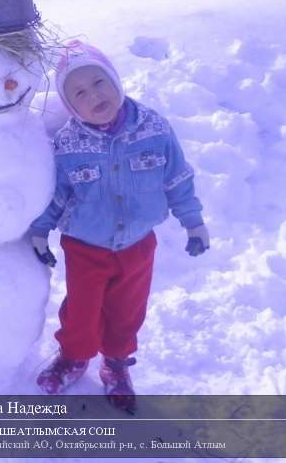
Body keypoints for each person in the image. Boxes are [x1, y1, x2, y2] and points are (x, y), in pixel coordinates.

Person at [29, 40, 209, 410]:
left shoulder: (155, 130)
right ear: (70, 106)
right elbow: (57, 194)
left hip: (137, 246)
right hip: (85, 246)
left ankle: (116, 364)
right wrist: (40, 230)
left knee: (128, 311)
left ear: (116, 81)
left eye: (99, 82)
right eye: (79, 92)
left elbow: (177, 179)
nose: (94, 95)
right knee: (81, 311)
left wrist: (193, 223)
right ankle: (74, 356)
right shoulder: (67, 145)